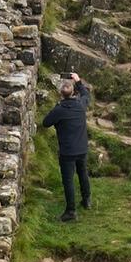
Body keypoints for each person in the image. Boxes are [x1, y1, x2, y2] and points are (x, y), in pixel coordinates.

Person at [40, 71, 91, 222]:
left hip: (67, 151)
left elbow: (45, 123)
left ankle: (71, 211)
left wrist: (57, 108)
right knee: (83, 173)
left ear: (60, 94)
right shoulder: (80, 105)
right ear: (74, 92)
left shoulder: (59, 110)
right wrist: (78, 80)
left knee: (68, 180)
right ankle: (87, 200)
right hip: (82, 148)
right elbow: (87, 96)